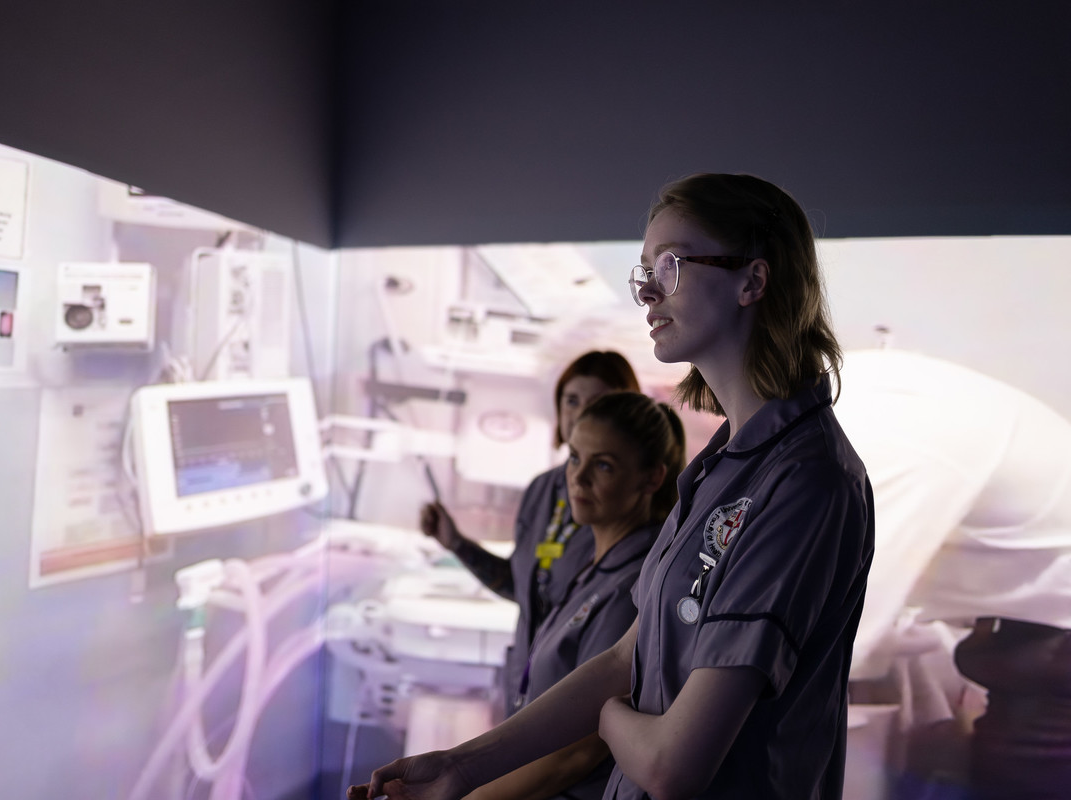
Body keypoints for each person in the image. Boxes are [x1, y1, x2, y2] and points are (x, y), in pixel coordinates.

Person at [350, 172, 873, 800]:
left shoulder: (804, 482)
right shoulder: (723, 467)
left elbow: (670, 768)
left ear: (752, 281)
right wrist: (460, 769)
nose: (648, 289)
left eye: (671, 264)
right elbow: (630, 656)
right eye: (644, 270)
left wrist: (606, 716)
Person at [832, 348, 1071, 800]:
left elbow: (834, 629)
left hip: (1055, 636)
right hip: (1023, 626)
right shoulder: (852, 397)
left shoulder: (877, 426)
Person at [465, 391, 685, 800]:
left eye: (603, 465)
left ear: (652, 478)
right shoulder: (594, 566)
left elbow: (578, 753)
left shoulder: (634, 585)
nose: (578, 478)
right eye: (574, 458)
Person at [420, 350, 641, 717]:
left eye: (598, 402)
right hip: (527, 691)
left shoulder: (626, 504)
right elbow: (524, 587)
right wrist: (457, 544)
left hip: (582, 699)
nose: (581, 412)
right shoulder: (543, 491)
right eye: (571, 400)